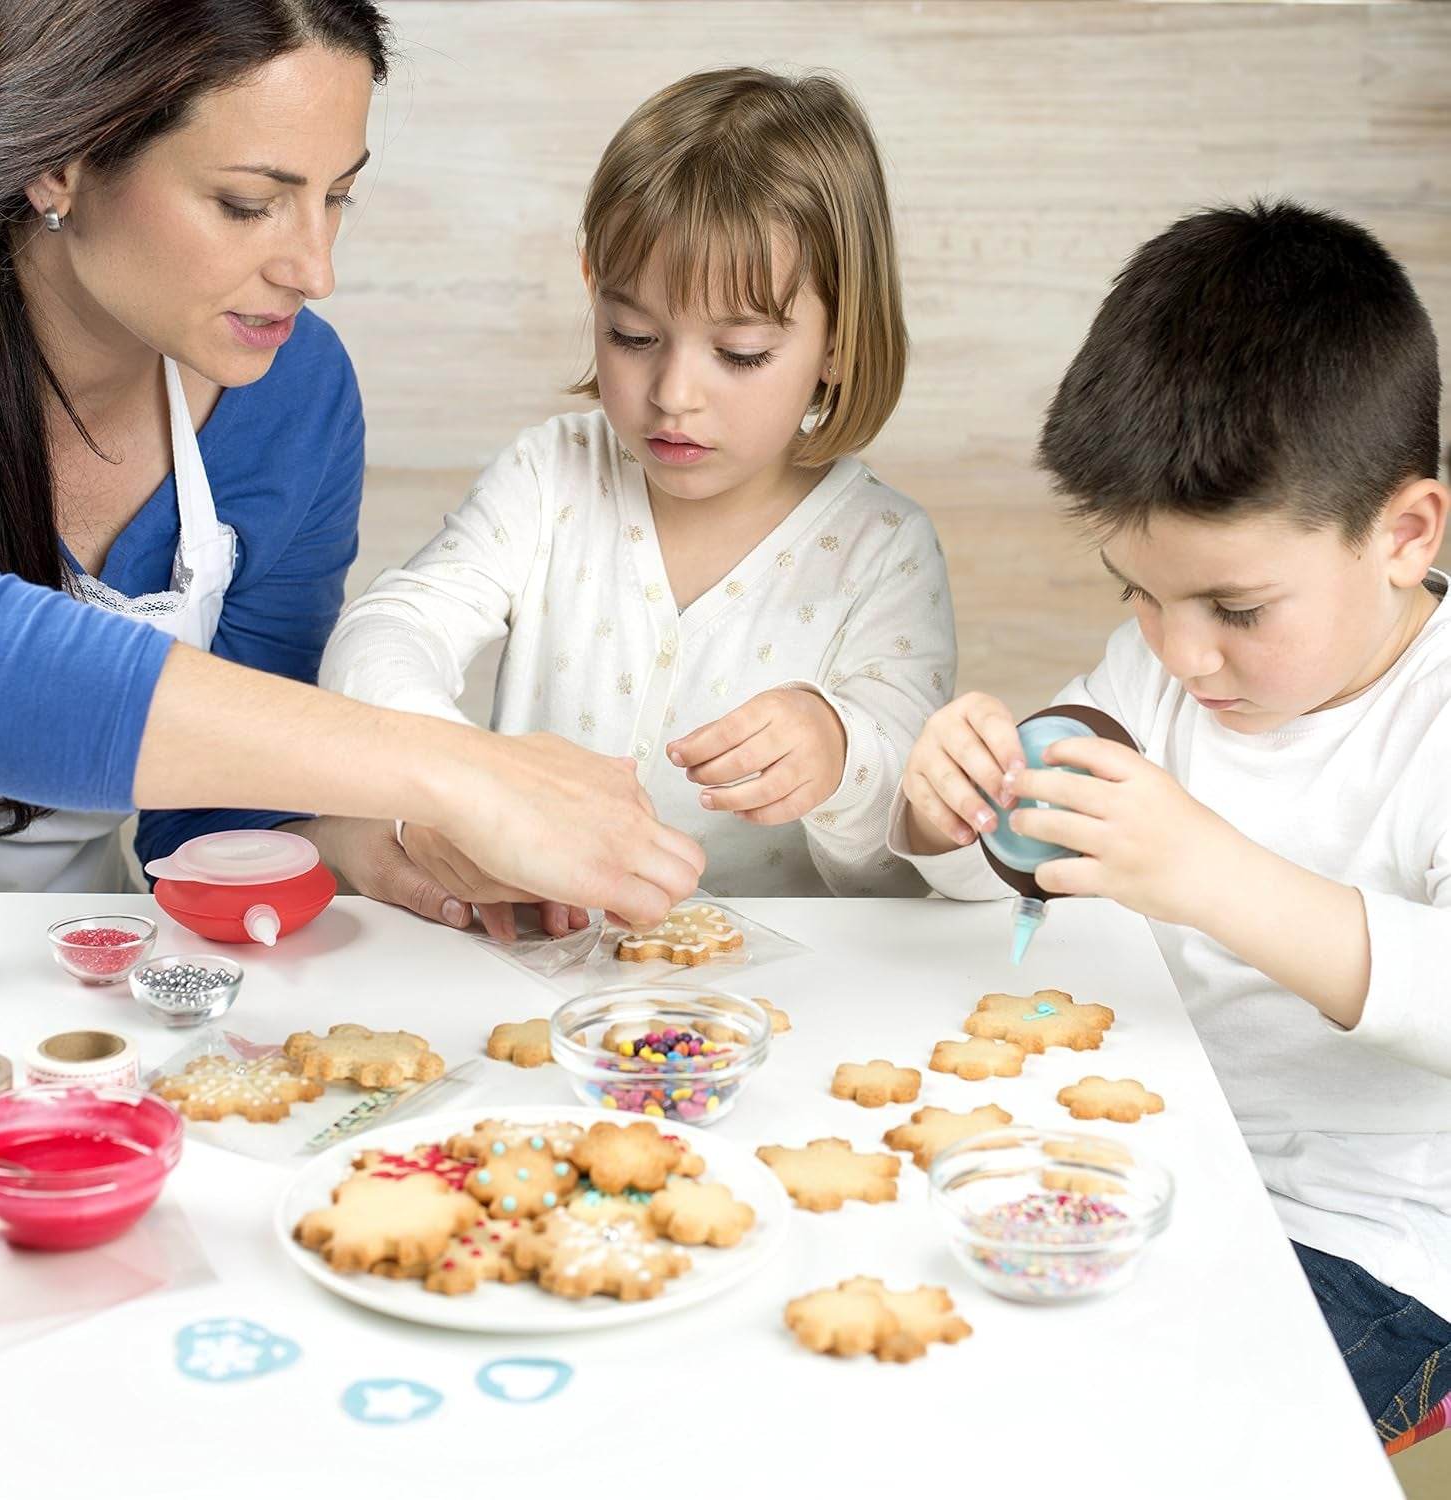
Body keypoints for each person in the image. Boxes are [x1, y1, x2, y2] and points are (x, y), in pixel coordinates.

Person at [0, 0, 702, 929]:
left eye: (335, 195)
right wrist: (456, 771)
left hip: (57, 975)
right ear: (60, 165)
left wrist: (368, 847)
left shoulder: (293, 393)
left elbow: (210, 809)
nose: (315, 270)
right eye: (248, 204)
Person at [893, 199, 1451, 1444]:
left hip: (1377, 1254)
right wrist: (963, 817)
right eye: (1135, 592)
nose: (1182, 653)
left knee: (1166, 1443)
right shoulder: (1158, 669)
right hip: (1152, 1166)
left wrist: (1206, 871)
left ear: (1403, 536)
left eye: (1237, 609)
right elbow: (1033, 871)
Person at [320, 66, 956, 937]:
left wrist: (842, 752)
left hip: (775, 1009)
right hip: (541, 971)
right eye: (634, 336)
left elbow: (894, 867)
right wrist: (459, 777)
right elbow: (385, 632)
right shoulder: (550, 477)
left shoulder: (884, 548)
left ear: (837, 342)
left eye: (739, 353)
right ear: (594, 288)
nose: (675, 393)